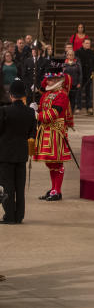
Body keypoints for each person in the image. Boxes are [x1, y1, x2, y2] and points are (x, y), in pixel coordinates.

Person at [34, 61, 74, 202]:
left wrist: (38, 116)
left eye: (50, 79)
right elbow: (43, 107)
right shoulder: (48, 93)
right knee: (50, 163)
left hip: (56, 131)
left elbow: (54, 113)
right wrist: (36, 108)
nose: (47, 81)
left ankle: (57, 190)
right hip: (46, 130)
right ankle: (53, 188)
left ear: (57, 79)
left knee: (56, 163)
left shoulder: (61, 94)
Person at [0, 80, 36, 224]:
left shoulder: (4, 111)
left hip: (5, 154)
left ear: (11, 95)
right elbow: (32, 133)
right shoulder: (30, 112)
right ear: (23, 95)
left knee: (7, 186)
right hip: (21, 154)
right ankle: (19, 215)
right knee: (19, 187)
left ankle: (9, 216)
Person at [76, 39, 94, 115]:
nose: (88, 45)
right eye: (86, 43)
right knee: (79, 91)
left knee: (89, 92)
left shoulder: (92, 53)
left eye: (89, 43)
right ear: (83, 44)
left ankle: (89, 107)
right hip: (80, 74)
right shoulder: (78, 52)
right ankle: (78, 107)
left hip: (89, 74)